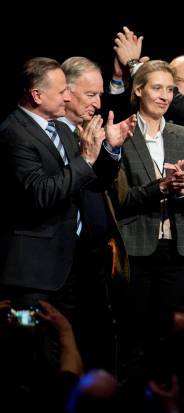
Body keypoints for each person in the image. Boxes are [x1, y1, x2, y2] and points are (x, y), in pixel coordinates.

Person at [0, 57, 122, 316]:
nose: (68, 98)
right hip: (36, 271)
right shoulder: (14, 133)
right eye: (62, 91)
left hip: (72, 263)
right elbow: (41, 193)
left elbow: (93, 182)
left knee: (73, 345)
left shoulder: (61, 130)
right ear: (37, 95)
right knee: (37, 349)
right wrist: (87, 158)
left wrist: (111, 147)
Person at [109, 60, 184, 362]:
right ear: (138, 90)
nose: (165, 96)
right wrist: (160, 187)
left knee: (170, 336)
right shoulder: (122, 132)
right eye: (157, 88)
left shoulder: (183, 135)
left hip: (178, 250)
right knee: (134, 333)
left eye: (170, 90)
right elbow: (118, 200)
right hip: (136, 250)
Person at [59, 56, 136, 370]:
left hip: (93, 255)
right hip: (58, 254)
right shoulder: (53, 133)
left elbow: (98, 182)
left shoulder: (87, 129)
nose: (97, 102)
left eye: (100, 94)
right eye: (91, 95)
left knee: (97, 338)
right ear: (67, 92)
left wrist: (111, 149)